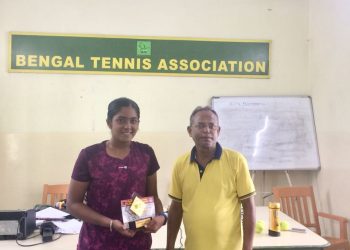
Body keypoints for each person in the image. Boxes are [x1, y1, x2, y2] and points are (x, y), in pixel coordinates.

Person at [67, 97, 167, 250]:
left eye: (134, 121)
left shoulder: (146, 153)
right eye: (121, 120)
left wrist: (160, 217)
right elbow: (73, 204)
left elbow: (153, 198)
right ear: (109, 122)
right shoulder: (90, 156)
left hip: (137, 242)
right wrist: (111, 223)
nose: (128, 126)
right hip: (97, 242)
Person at [166, 106, 256, 250]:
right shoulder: (180, 164)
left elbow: (249, 207)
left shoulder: (236, 161)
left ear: (218, 131)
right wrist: (169, 247)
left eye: (211, 126)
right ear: (190, 131)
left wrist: (247, 248)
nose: (206, 130)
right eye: (200, 125)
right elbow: (176, 208)